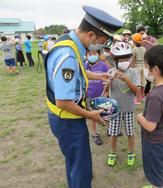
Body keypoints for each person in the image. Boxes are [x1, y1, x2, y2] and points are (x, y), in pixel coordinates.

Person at [45, 5, 123, 188]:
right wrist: (92, 115)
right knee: (82, 169)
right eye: (102, 42)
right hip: (68, 120)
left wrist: (98, 75)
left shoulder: (70, 42)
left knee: (73, 161)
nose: (101, 47)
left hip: (63, 118)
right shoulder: (68, 56)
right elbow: (63, 101)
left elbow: (78, 73)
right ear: (91, 35)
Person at [137, 45, 163, 188]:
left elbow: (150, 126)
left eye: (147, 67)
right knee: (162, 166)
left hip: (154, 142)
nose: (146, 70)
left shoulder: (155, 95)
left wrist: (140, 117)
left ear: (155, 69)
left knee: (155, 174)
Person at [106, 42, 139, 167]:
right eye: (121, 59)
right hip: (115, 109)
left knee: (130, 132)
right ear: (115, 60)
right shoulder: (111, 71)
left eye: (127, 58)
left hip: (129, 108)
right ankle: (112, 153)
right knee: (113, 133)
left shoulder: (133, 73)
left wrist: (127, 80)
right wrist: (110, 79)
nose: (125, 61)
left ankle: (131, 152)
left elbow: (137, 91)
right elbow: (105, 90)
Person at [85, 49, 109, 145]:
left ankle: (109, 129)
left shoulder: (103, 66)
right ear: (86, 55)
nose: (92, 55)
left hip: (102, 95)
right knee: (92, 116)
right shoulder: (84, 65)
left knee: (106, 113)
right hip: (90, 95)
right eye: (89, 54)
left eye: (94, 53)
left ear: (99, 54)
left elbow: (108, 79)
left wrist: (106, 92)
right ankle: (95, 134)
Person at [137, 26, 157, 95]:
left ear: (146, 32)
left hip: (151, 58)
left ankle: (146, 92)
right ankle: (140, 92)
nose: (142, 34)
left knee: (150, 75)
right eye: (140, 34)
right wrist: (141, 42)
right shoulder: (138, 39)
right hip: (141, 60)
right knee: (141, 76)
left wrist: (147, 42)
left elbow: (156, 46)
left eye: (143, 33)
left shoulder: (152, 39)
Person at [131, 33, 146, 104]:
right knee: (143, 83)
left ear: (134, 41)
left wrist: (130, 67)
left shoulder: (134, 49)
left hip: (137, 67)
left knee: (137, 84)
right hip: (143, 66)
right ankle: (142, 96)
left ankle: (138, 99)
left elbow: (133, 60)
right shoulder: (144, 49)